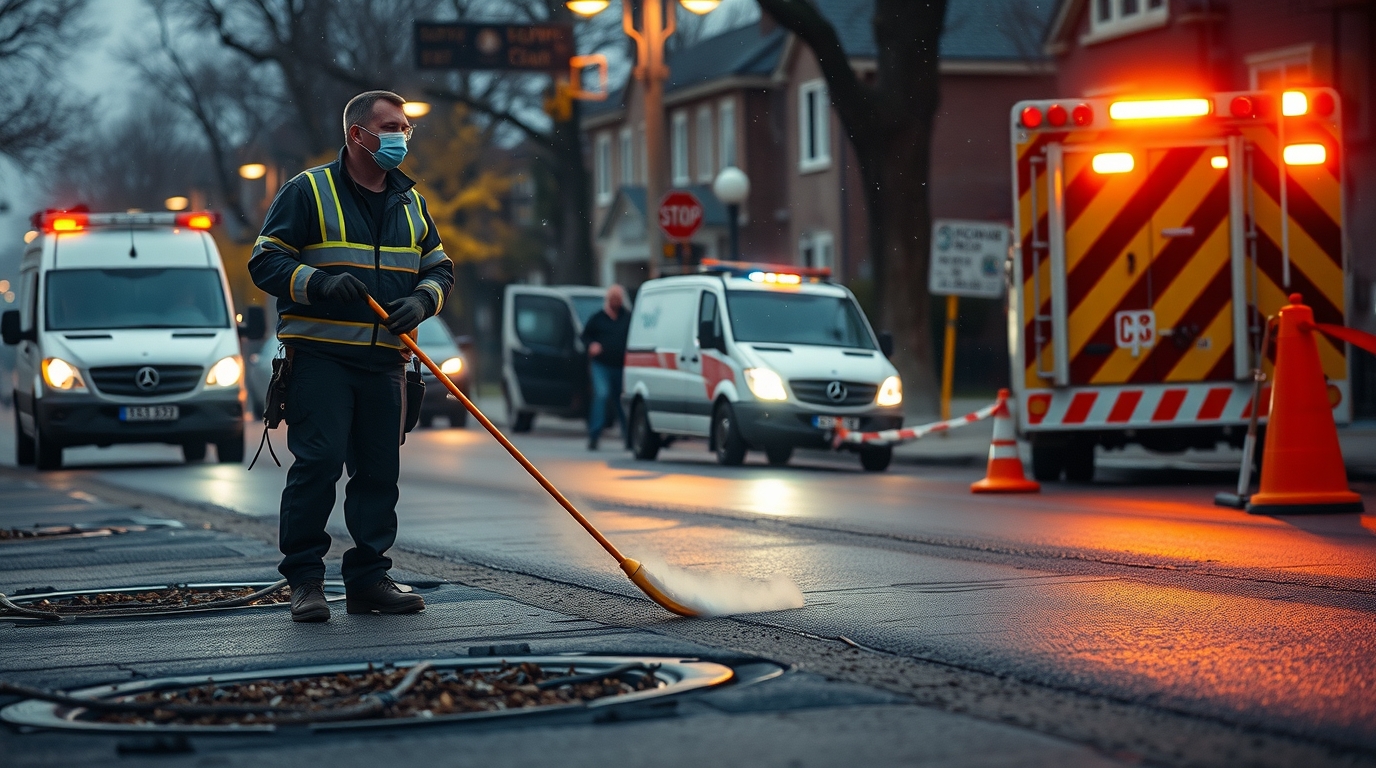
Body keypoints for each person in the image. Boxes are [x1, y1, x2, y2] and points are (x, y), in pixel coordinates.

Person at [248, 91, 454, 623]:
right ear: (356, 134)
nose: (400, 137)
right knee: (318, 465)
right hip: (321, 360)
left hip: (386, 363)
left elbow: (441, 269)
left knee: (379, 473)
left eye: (405, 128)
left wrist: (420, 301)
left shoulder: (411, 201)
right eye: (389, 127)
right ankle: (306, 582)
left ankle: (367, 580)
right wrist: (316, 283)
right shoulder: (308, 191)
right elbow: (265, 262)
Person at [581, 285, 631, 450]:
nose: (616, 301)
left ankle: (628, 436)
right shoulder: (598, 318)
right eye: (613, 298)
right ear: (608, 300)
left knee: (621, 400)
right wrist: (591, 346)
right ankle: (594, 435)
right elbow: (585, 336)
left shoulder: (627, 318)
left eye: (619, 298)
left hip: (621, 366)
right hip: (601, 365)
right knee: (601, 395)